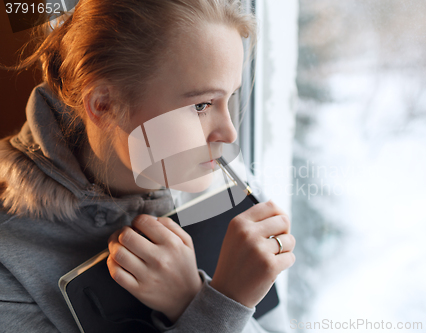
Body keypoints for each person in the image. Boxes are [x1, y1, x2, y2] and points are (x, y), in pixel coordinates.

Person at [0, 0, 296, 332]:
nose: (228, 133)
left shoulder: (219, 180)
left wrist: (193, 300)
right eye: (201, 105)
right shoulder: (9, 259)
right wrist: (213, 306)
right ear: (104, 104)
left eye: (230, 98)